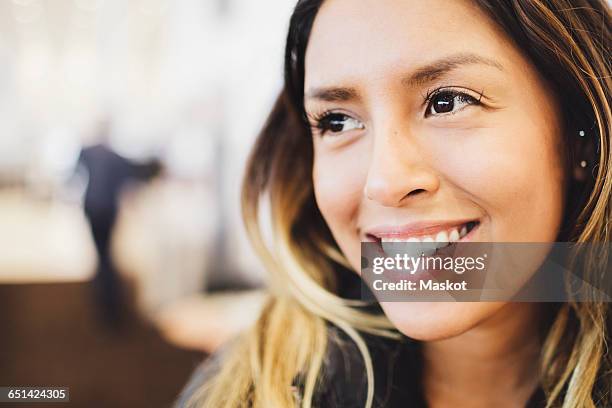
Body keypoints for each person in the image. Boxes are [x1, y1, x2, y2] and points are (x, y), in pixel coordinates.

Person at [178, 0, 611, 406]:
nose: (384, 182)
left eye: (447, 102)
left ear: (581, 131)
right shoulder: (243, 391)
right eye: (338, 121)